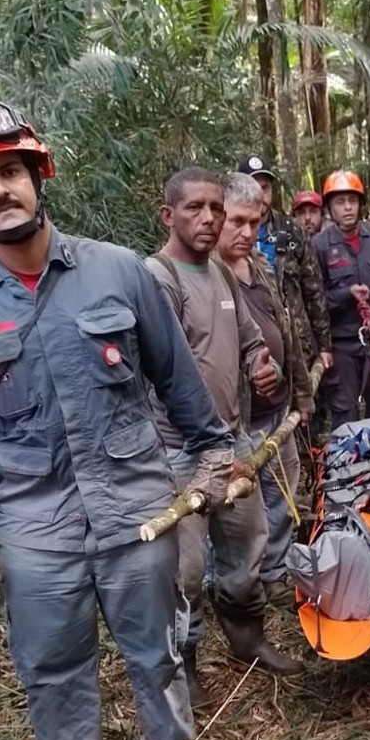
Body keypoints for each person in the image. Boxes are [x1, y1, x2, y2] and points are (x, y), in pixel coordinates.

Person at [0, 98, 226, 740]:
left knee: (158, 645)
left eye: (10, 171)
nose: (0, 189)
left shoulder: (118, 271)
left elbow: (179, 380)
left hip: (135, 508)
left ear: (38, 173)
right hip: (36, 522)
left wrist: (214, 454)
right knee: (50, 663)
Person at [147, 167, 304, 708]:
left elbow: (248, 341)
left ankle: (246, 638)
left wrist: (261, 363)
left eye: (217, 207)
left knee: (247, 544)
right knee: (186, 569)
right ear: (168, 215)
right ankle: (184, 660)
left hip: (234, 443)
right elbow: (160, 369)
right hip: (176, 450)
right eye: (196, 208)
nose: (210, 218)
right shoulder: (158, 279)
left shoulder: (222, 275)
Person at [217, 174, 313, 607]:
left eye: (254, 222)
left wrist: (302, 394)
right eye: (237, 221)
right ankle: (236, 590)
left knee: (283, 493)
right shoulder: (205, 276)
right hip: (237, 421)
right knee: (239, 512)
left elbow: (286, 330)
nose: (246, 232)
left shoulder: (259, 265)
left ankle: (275, 572)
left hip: (277, 411)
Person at [312, 171, 370, 428]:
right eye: (340, 202)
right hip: (341, 342)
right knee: (344, 410)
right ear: (330, 207)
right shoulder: (319, 246)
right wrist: (345, 294)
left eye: (352, 200)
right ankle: (347, 465)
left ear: (360, 203)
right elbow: (313, 298)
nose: (348, 207)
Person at [236, 156, 332, 373]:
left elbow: (314, 290)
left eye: (265, 188)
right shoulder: (228, 232)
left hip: (297, 344)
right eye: (252, 188)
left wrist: (325, 345)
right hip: (248, 344)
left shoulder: (291, 230)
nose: (260, 196)